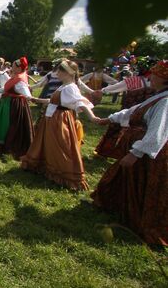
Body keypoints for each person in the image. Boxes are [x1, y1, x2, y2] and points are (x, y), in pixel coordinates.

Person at [90, 60, 168, 246]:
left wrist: (136, 153)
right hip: (137, 147)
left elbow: (158, 132)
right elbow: (134, 111)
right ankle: (117, 207)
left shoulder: (165, 101)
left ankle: (139, 220)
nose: (151, 77)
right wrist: (109, 119)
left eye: (154, 74)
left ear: (163, 78)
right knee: (125, 178)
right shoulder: (159, 96)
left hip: (149, 155)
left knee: (142, 185)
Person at [20, 60, 99, 190]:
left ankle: (65, 173)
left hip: (60, 119)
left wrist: (92, 117)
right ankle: (49, 167)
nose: (57, 73)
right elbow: (54, 101)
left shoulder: (70, 87)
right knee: (51, 145)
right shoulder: (64, 86)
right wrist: (35, 99)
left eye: (60, 71)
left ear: (70, 73)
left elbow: (80, 103)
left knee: (61, 146)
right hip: (53, 117)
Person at [0, 57, 34, 159]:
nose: (11, 66)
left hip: (13, 105)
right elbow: (5, 87)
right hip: (7, 103)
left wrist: (32, 98)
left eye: (14, 65)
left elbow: (26, 93)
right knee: (0, 122)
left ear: (18, 68)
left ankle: (5, 144)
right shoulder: (16, 76)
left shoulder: (19, 80)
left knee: (9, 124)